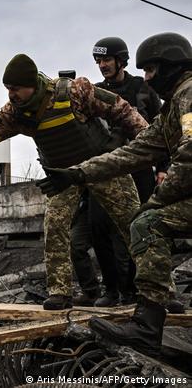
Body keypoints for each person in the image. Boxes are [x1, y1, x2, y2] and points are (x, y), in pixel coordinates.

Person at [0, 54, 148, 310]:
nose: (11, 95)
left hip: (102, 168)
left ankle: (158, 290)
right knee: (55, 229)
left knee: (135, 225)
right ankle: (60, 292)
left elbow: (123, 111)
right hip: (62, 178)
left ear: (31, 84)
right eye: (7, 90)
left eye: (15, 89)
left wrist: (152, 148)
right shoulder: (15, 114)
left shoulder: (74, 91)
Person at [36, 32, 192, 356]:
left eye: (151, 70)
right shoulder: (173, 105)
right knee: (135, 224)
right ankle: (146, 323)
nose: (148, 78)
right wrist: (78, 173)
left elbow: (190, 152)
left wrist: (160, 198)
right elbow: (136, 150)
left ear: (172, 66)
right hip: (154, 184)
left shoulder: (188, 95)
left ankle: (149, 323)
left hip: (178, 188)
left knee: (146, 222)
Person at [71, 37, 163, 307]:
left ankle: (136, 290)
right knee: (99, 229)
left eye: (107, 60)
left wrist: (164, 169)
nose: (102, 65)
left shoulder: (142, 89)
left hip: (140, 170)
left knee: (140, 230)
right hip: (106, 172)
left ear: (120, 60)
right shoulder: (95, 92)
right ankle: (111, 290)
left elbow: (160, 130)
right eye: (98, 61)